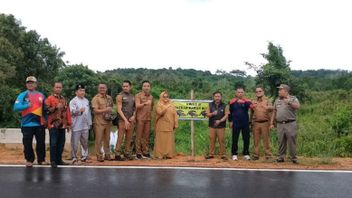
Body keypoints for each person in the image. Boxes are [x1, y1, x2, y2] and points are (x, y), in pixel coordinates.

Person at [13, 76, 47, 167]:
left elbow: (45, 109)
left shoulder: (41, 95)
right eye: (28, 83)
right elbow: (16, 108)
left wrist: (46, 120)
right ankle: (29, 160)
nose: (30, 84)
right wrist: (26, 105)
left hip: (39, 123)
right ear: (26, 84)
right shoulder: (22, 95)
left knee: (41, 142)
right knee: (27, 143)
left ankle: (41, 159)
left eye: (32, 82)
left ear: (36, 84)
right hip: (26, 124)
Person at [270, 84, 300, 164]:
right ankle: (281, 157)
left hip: (290, 123)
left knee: (291, 141)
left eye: (280, 90)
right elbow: (274, 111)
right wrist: (271, 123)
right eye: (278, 90)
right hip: (280, 124)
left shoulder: (293, 98)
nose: (278, 91)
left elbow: (297, 106)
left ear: (285, 91)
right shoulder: (277, 100)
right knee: (281, 141)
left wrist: (289, 102)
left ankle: (293, 157)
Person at [45, 82, 72, 168]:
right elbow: (46, 111)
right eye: (57, 87)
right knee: (53, 143)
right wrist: (55, 107)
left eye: (60, 87)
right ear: (53, 88)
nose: (58, 89)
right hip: (53, 125)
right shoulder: (49, 98)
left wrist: (68, 123)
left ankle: (59, 159)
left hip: (62, 125)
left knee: (61, 143)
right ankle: (53, 160)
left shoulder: (64, 99)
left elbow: (67, 111)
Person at [69, 84, 92, 164]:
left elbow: (88, 113)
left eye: (83, 90)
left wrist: (90, 123)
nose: (82, 92)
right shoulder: (73, 101)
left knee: (85, 141)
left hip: (85, 125)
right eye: (80, 90)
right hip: (76, 125)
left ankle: (85, 156)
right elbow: (71, 112)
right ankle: (74, 157)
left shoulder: (86, 101)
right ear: (76, 92)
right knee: (74, 143)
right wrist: (79, 111)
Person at [228, 87, 253, 161]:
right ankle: (234, 154)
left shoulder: (247, 101)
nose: (240, 93)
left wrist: (245, 101)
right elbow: (230, 113)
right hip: (235, 123)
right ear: (236, 93)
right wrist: (230, 121)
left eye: (241, 92)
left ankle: (246, 153)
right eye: (238, 92)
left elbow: (252, 107)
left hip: (245, 123)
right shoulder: (232, 102)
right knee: (235, 139)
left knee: (246, 138)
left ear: (244, 93)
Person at [92, 83, 113, 162]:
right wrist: (106, 110)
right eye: (100, 88)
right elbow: (95, 111)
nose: (102, 89)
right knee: (99, 140)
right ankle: (99, 155)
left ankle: (107, 154)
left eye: (104, 88)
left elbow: (111, 108)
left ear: (106, 88)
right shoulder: (95, 98)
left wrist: (110, 113)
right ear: (98, 89)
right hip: (99, 122)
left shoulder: (109, 98)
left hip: (108, 122)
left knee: (107, 139)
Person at [153, 91, 178, 159]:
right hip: (160, 125)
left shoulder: (172, 105)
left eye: (167, 96)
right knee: (160, 140)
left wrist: (175, 124)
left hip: (169, 125)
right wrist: (167, 106)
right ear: (161, 97)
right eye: (164, 96)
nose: (166, 98)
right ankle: (159, 154)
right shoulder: (159, 104)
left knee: (168, 140)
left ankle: (169, 154)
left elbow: (175, 115)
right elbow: (160, 113)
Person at [115, 80, 136, 161]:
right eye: (123, 86)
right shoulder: (119, 96)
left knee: (129, 138)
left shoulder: (132, 96)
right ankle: (117, 154)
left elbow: (135, 108)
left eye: (127, 86)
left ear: (130, 87)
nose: (125, 88)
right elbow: (119, 109)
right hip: (122, 120)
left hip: (131, 120)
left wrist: (134, 115)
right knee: (120, 138)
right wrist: (125, 120)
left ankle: (127, 153)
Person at [250, 87, 273, 160]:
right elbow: (251, 112)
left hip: (265, 123)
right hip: (256, 123)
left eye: (260, 91)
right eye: (257, 91)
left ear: (263, 92)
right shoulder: (253, 101)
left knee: (266, 140)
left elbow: (272, 109)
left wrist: (271, 123)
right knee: (256, 140)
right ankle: (256, 155)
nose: (258, 92)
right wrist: (250, 122)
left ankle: (268, 155)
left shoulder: (267, 101)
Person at [205, 91, 228, 160]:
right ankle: (211, 154)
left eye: (218, 96)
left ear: (221, 97)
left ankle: (223, 154)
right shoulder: (210, 105)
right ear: (213, 97)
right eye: (216, 96)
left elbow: (226, 115)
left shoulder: (224, 105)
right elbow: (207, 114)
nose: (217, 98)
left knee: (222, 140)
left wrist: (220, 121)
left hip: (221, 126)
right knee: (212, 140)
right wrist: (212, 114)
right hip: (212, 126)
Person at [135, 80, 153, 159]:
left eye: (148, 86)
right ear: (142, 87)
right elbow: (137, 106)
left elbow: (151, 108)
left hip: (148, 119)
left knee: (146, 136)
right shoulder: (138, 95)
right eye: (144, 86)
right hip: (140, 119)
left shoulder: (151, 97)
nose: (146, 87)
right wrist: (145, 103)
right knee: (139, 136)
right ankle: (138, 152)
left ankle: (145, 152)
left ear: (150, 87)